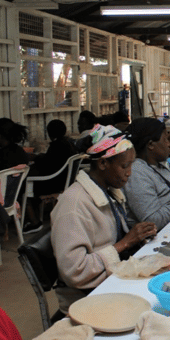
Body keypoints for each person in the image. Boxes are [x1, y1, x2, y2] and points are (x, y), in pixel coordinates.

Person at [51, 125, 158, 313]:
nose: (129, 173)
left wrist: (137, 236)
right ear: (102, 164)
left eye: (131, 165)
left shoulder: (108, 193)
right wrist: (124, 243)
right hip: (87, 299)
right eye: (124, 166)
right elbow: (74, 270)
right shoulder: (74, 205)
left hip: (110, 281)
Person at [23, 120, 78, 234]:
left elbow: (47, 165)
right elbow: (52, 160)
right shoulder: (68, 143)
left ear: (49, 133)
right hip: (64, 180)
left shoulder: (57, 145)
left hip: (54, 182)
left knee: (26, 185)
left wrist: (36, 159)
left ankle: (34, 222)